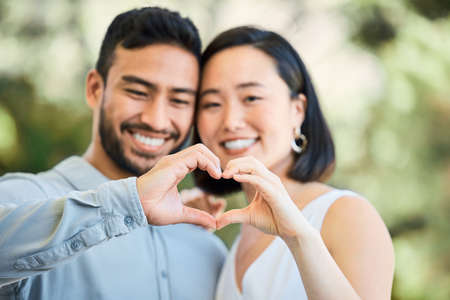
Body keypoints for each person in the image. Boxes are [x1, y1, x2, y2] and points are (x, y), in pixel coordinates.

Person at [0, 7, 227, 300]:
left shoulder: (208, 249)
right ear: (95, 88)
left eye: (179, 100)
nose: (156, 120)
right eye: (137, 92)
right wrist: (129, 201)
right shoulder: (21, 198)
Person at [193, 26, 395, 299]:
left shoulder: (347, 215)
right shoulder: (238, 235)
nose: (230, 121)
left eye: (251, 98)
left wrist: (299, 239)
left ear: (297, 110)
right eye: (212, 104)